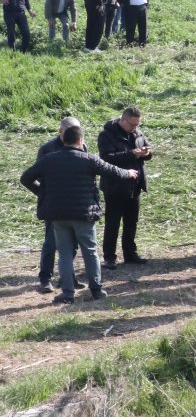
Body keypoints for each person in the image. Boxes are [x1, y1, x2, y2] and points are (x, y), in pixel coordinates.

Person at [22, 125, 137, 305]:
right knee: (90, 251)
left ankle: (67, 293)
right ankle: (96, 290)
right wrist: (128, 173)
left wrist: (43, 193)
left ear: (63, 140)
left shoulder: (49, 159)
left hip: (58, 214)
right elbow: (112, 171)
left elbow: (25, 178)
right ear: (80, 141)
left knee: (65, 254)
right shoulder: (88, 159)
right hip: (84, 213)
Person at [34, 117, 88, 293]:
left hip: (75, 203)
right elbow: (36, 176)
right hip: (55, 204)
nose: (75, 134)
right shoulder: (47, 149)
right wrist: (44, 194)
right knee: (51, 242)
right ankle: (45, 279)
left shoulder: (82, 145)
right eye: (70, 130)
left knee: (73, 243)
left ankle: (68, 278)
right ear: (60, 131)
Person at [97, 106, 154, 269]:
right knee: (112, 223)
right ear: (123, 120)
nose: (135, 128)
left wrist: (146, 153)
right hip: (115, 186)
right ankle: (109, 257)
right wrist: (132, 153)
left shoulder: (137, 132)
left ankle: (130, 254)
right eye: (132, 124)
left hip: (134, 185)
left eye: (137, 124)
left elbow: (148, 150)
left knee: (131, 222)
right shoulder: (106, 135)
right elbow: (106, 159)